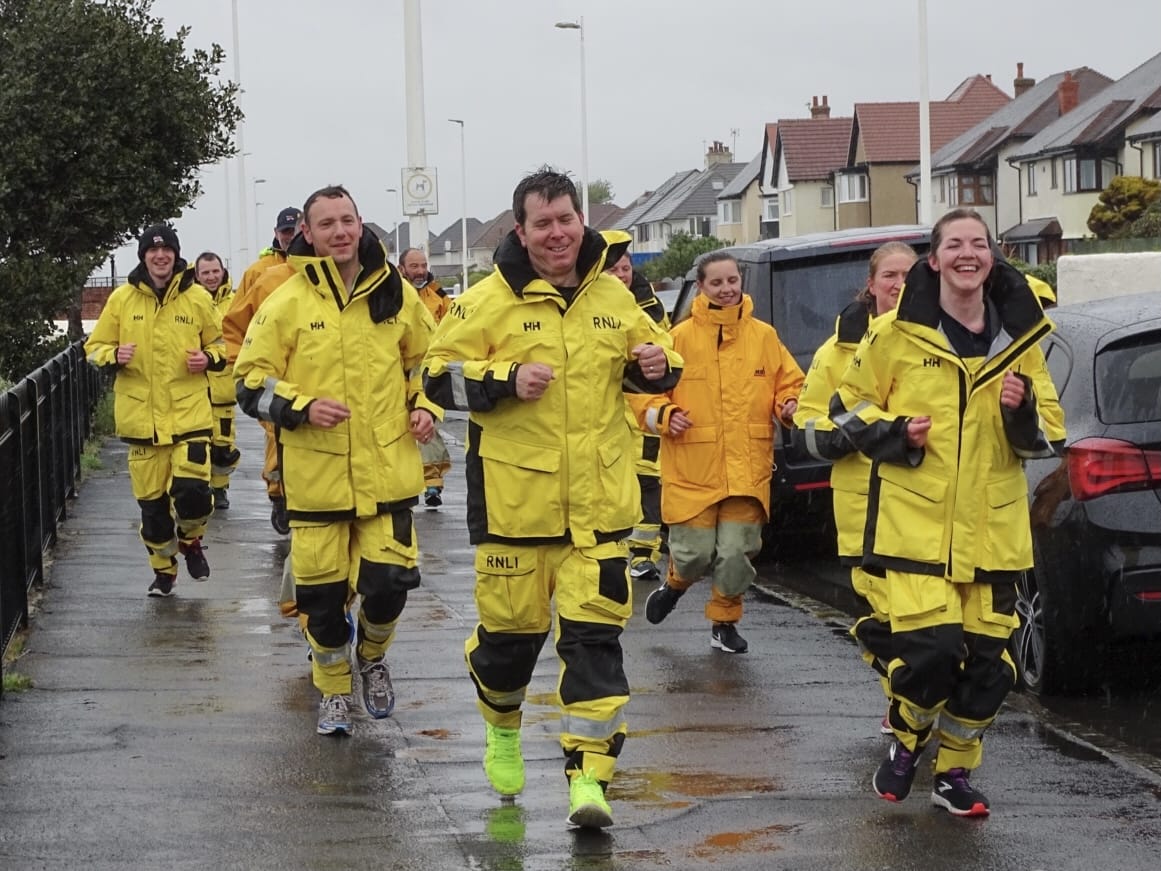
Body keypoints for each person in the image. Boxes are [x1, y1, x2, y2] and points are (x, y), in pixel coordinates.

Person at [422, 168, 681, 829]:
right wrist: (503, 379)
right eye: (543, 222)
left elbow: (658, 353)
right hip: (513, 511)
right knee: (510, 646)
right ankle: (502, 723)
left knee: (594, 644)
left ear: (580, 222)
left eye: (566, 218)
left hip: (598, 513)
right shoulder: (484, 302)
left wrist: (652, 366)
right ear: (521, 230)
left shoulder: (612, 295)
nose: (558, 232)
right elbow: (431, 381)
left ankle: (588, 777)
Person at [830, 208, 1062, 818]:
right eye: (953, 244)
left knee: (990, 672)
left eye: (978, 244)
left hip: (994, 531)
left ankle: (954, 773)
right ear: (934, 260)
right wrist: (897, 434)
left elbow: (1049, 434)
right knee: (931, 654)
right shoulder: (896, 333)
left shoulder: (1021, 337)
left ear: (993, 256)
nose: (967, 254)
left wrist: (1021, 413)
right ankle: (907, 740)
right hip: (917, 529)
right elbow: (844, 410)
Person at [234, 185, 440, 736]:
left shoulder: (395, 292)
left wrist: (426, 404)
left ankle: (371, 656)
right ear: (309, 232)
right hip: (315, 482)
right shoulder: (287, 301)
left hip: (388, 473)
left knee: (390, 583)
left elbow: (432, 358)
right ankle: (332, 690)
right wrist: (300, 406)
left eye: (347, 220)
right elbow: (249, 383)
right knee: (321, 603)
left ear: (360, 223)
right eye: (326, 224)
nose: (340, 232)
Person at [635, 252, 803, 655]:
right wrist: (665, 415)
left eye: (733, 281)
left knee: (735, 554)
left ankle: (724, 622)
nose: (727, 290)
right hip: (693, 467)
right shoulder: (677, 339)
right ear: (701, 286)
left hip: (747, 467)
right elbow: (643, 395)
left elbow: (790, 383)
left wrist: (790, 405)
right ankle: (675, 583)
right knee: (693, 555)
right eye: (717, 283)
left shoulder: (764, 336)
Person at [793, 242, 918, 730]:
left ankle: (916, 702)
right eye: (890, 275)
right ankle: (902, 701)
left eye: (909, 274)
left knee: (927, 617)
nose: (899, 284)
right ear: (871, 284)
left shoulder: (942, 341)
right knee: (886, 615)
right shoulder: (837, 350)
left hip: (925, 503)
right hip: (864, 505)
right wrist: (857, 433)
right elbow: (808, 423)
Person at [84, 225, 225, 596]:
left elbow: (222, 343)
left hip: (189, 415)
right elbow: (94, 347)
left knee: (193, 492)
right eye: (152, 251)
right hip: (141, 420)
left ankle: (192, 540)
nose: (160, 257)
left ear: (176, 255)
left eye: (166, 251)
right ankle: (164, 569)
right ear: (144, 256)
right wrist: (114, 355)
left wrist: (207, 357)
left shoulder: (196, 298)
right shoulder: (122, 299)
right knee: (153, 513)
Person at [223, 205, 304, 535]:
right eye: (286, 233)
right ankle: (279, 496)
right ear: (276, 235)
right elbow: (235, 324)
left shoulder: (331, 273)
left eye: (295, 232)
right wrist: (243, 370)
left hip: (313, 378)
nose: (290, 238)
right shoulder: (261, 275)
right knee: (278, 434)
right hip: (272, 378)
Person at [602, 230, 670, 585]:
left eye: (625, 269)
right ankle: (613, 549)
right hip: (608, 414)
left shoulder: (650, 306)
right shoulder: (595, 305)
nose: (621, 276)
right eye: (613, 270)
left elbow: (667, 350)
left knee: (648, 481)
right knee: (609, 485)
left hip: (645, 412)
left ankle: (643, 554)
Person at [398, 247, 452, 508]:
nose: (420, 271)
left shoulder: (438, 298)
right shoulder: (393, 294)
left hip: (429, 373)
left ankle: (433, 485)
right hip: (398, 375)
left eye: (423, 265)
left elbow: (453, 326)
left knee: (428, 429)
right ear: (402, 268)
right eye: (414, 266)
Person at [193, 251, 241, 510]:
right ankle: (200, 491)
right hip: (195, 384)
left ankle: (220, 488)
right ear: (197, 275)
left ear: (223, 271)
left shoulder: (236, 302)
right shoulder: (188, 300)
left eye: (215, 271)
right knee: (196, 445)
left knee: (223, 443)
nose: (211, 277)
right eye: (206, 273)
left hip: (223, 385)